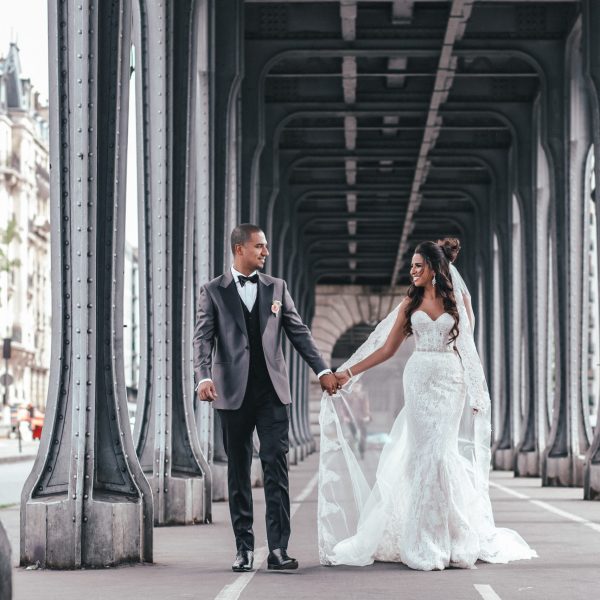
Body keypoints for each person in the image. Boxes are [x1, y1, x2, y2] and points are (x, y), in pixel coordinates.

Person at [317, 239, 537, 571]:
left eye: (418, 265)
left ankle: (453, 534)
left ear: (434, 268)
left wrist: (478, 394)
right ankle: (421, 537)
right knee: (423, 454)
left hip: (451, 381)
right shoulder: (411, 302)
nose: (412, 271)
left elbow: (469, 349)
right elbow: (387, 348)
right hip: (418, 379)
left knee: (441, 452)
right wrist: (348, 372)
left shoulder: (459, 300)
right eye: (411, 266)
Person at [193, 223, 338, 573]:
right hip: (232, 394)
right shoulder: (212, 291)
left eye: (267, 246)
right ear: (239, 249)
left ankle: (278, 550)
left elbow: (298, 331)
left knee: (276, 467)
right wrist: (204, 377)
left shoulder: (277, 287)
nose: (265, 252)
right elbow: (202, 339)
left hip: (272, 393)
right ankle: (243, 549)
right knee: (239, 473)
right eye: (259, 246)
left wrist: (322, 371)